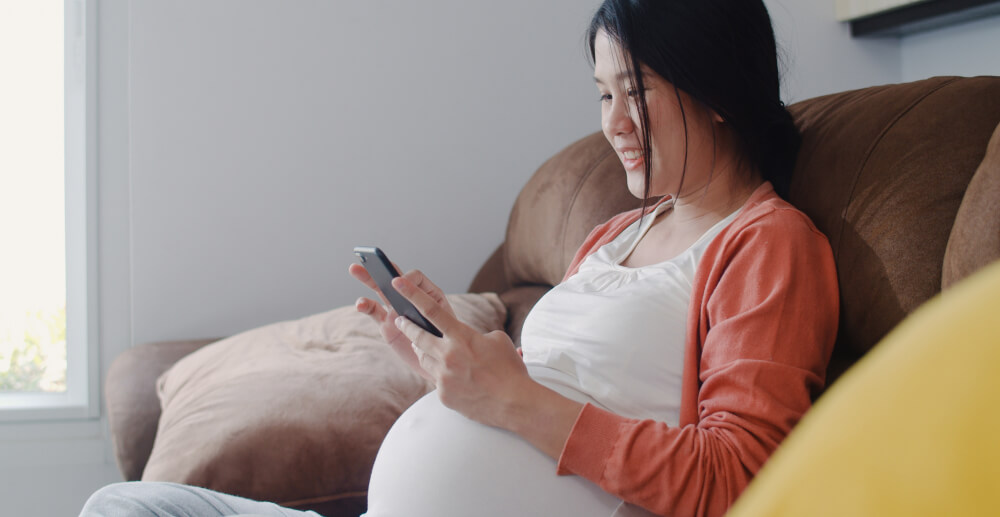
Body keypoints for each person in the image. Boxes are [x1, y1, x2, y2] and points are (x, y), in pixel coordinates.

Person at [80, 0, 837, 516]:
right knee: (123, 506)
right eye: (601, 94)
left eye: (633, 91)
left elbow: (740, 477)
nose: (613, 124)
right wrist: (453, 370)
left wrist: (514, 401)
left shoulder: (769, 244)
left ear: (717, 89)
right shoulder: (613, 237)